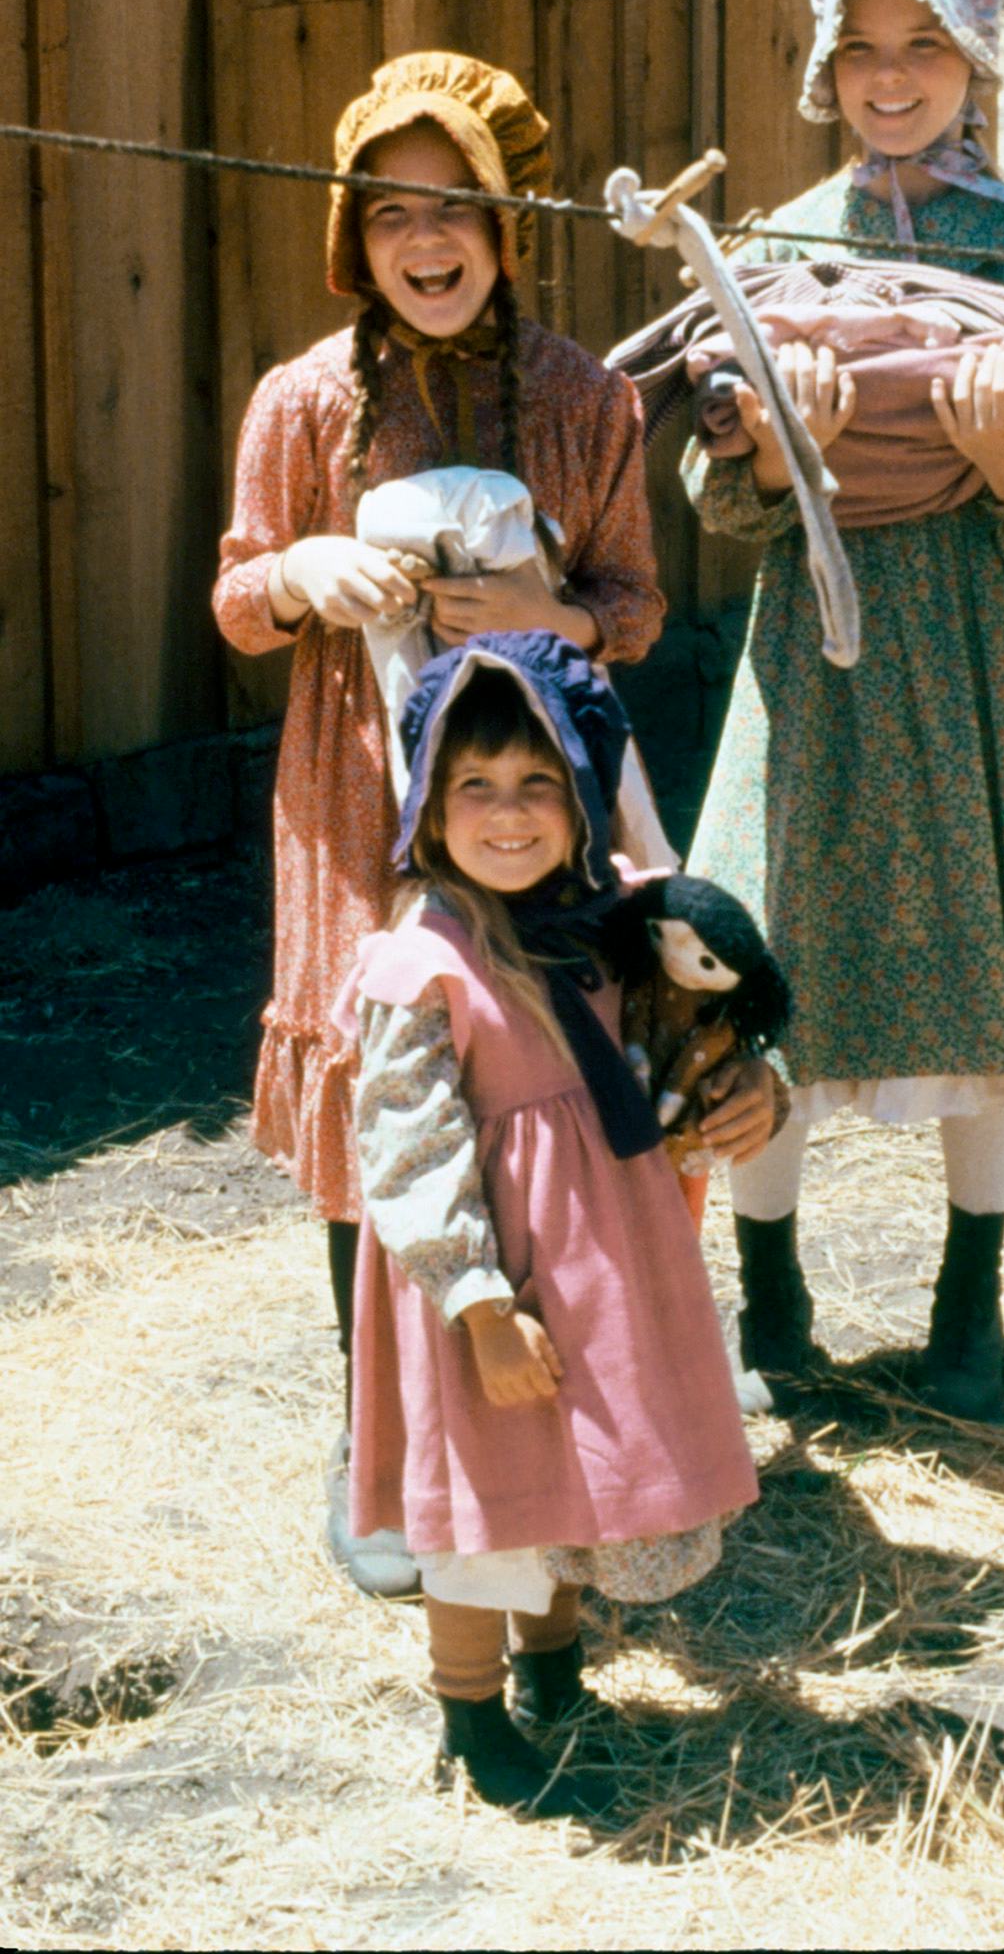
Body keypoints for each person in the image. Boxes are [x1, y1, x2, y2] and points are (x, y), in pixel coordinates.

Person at [683, 0, 1004, 1420]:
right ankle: (772, 1294)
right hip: (819, 665)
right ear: (823, 67)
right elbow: (715, 504)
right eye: (864, 50)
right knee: (780, 973)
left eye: (927, 48)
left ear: (977, 60)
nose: (894, 79)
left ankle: (972, 1296)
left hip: (980, 657)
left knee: (987, 965)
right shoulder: (777, 245)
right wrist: (780, 451)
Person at [212, 54, 664, 1592]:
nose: (427, 239)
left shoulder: (586, 399)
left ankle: (584, 1421)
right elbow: (235, 594)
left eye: (455, 206)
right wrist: (301, 579)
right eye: (391, 209)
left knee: (539, 1099)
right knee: (383, 1098)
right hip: (357, 799)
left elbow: (638, 605)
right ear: (353, 237)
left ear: (505, 222)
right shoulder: (303, 403)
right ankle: (381, 1446)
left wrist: (555, 610)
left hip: (539, 803)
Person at [343, 634, 774, 1816]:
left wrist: (749, 1080)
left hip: (601, 1260)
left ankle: (555, 1674)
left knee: (575, 1467)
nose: (509, 814)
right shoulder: (422, 961)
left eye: (539, 784)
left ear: (586, 796)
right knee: (490, 1491)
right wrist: (476, 1301)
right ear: (429, 806)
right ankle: (471, 1713)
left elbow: (702, 1034)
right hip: (485, 1274)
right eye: (474, 787)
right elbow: (406, 1144)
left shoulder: (617, 927)